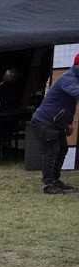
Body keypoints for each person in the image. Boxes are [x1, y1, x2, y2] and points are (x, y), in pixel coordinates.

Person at [28, 53, 79, 195]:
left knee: (62, 149)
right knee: (51, 151)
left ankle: (55, 180)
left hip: (55, 122)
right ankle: (48, 184)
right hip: (44, 121)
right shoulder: (68, 79)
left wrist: (68, 123)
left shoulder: (74, 78)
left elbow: (69, 105)